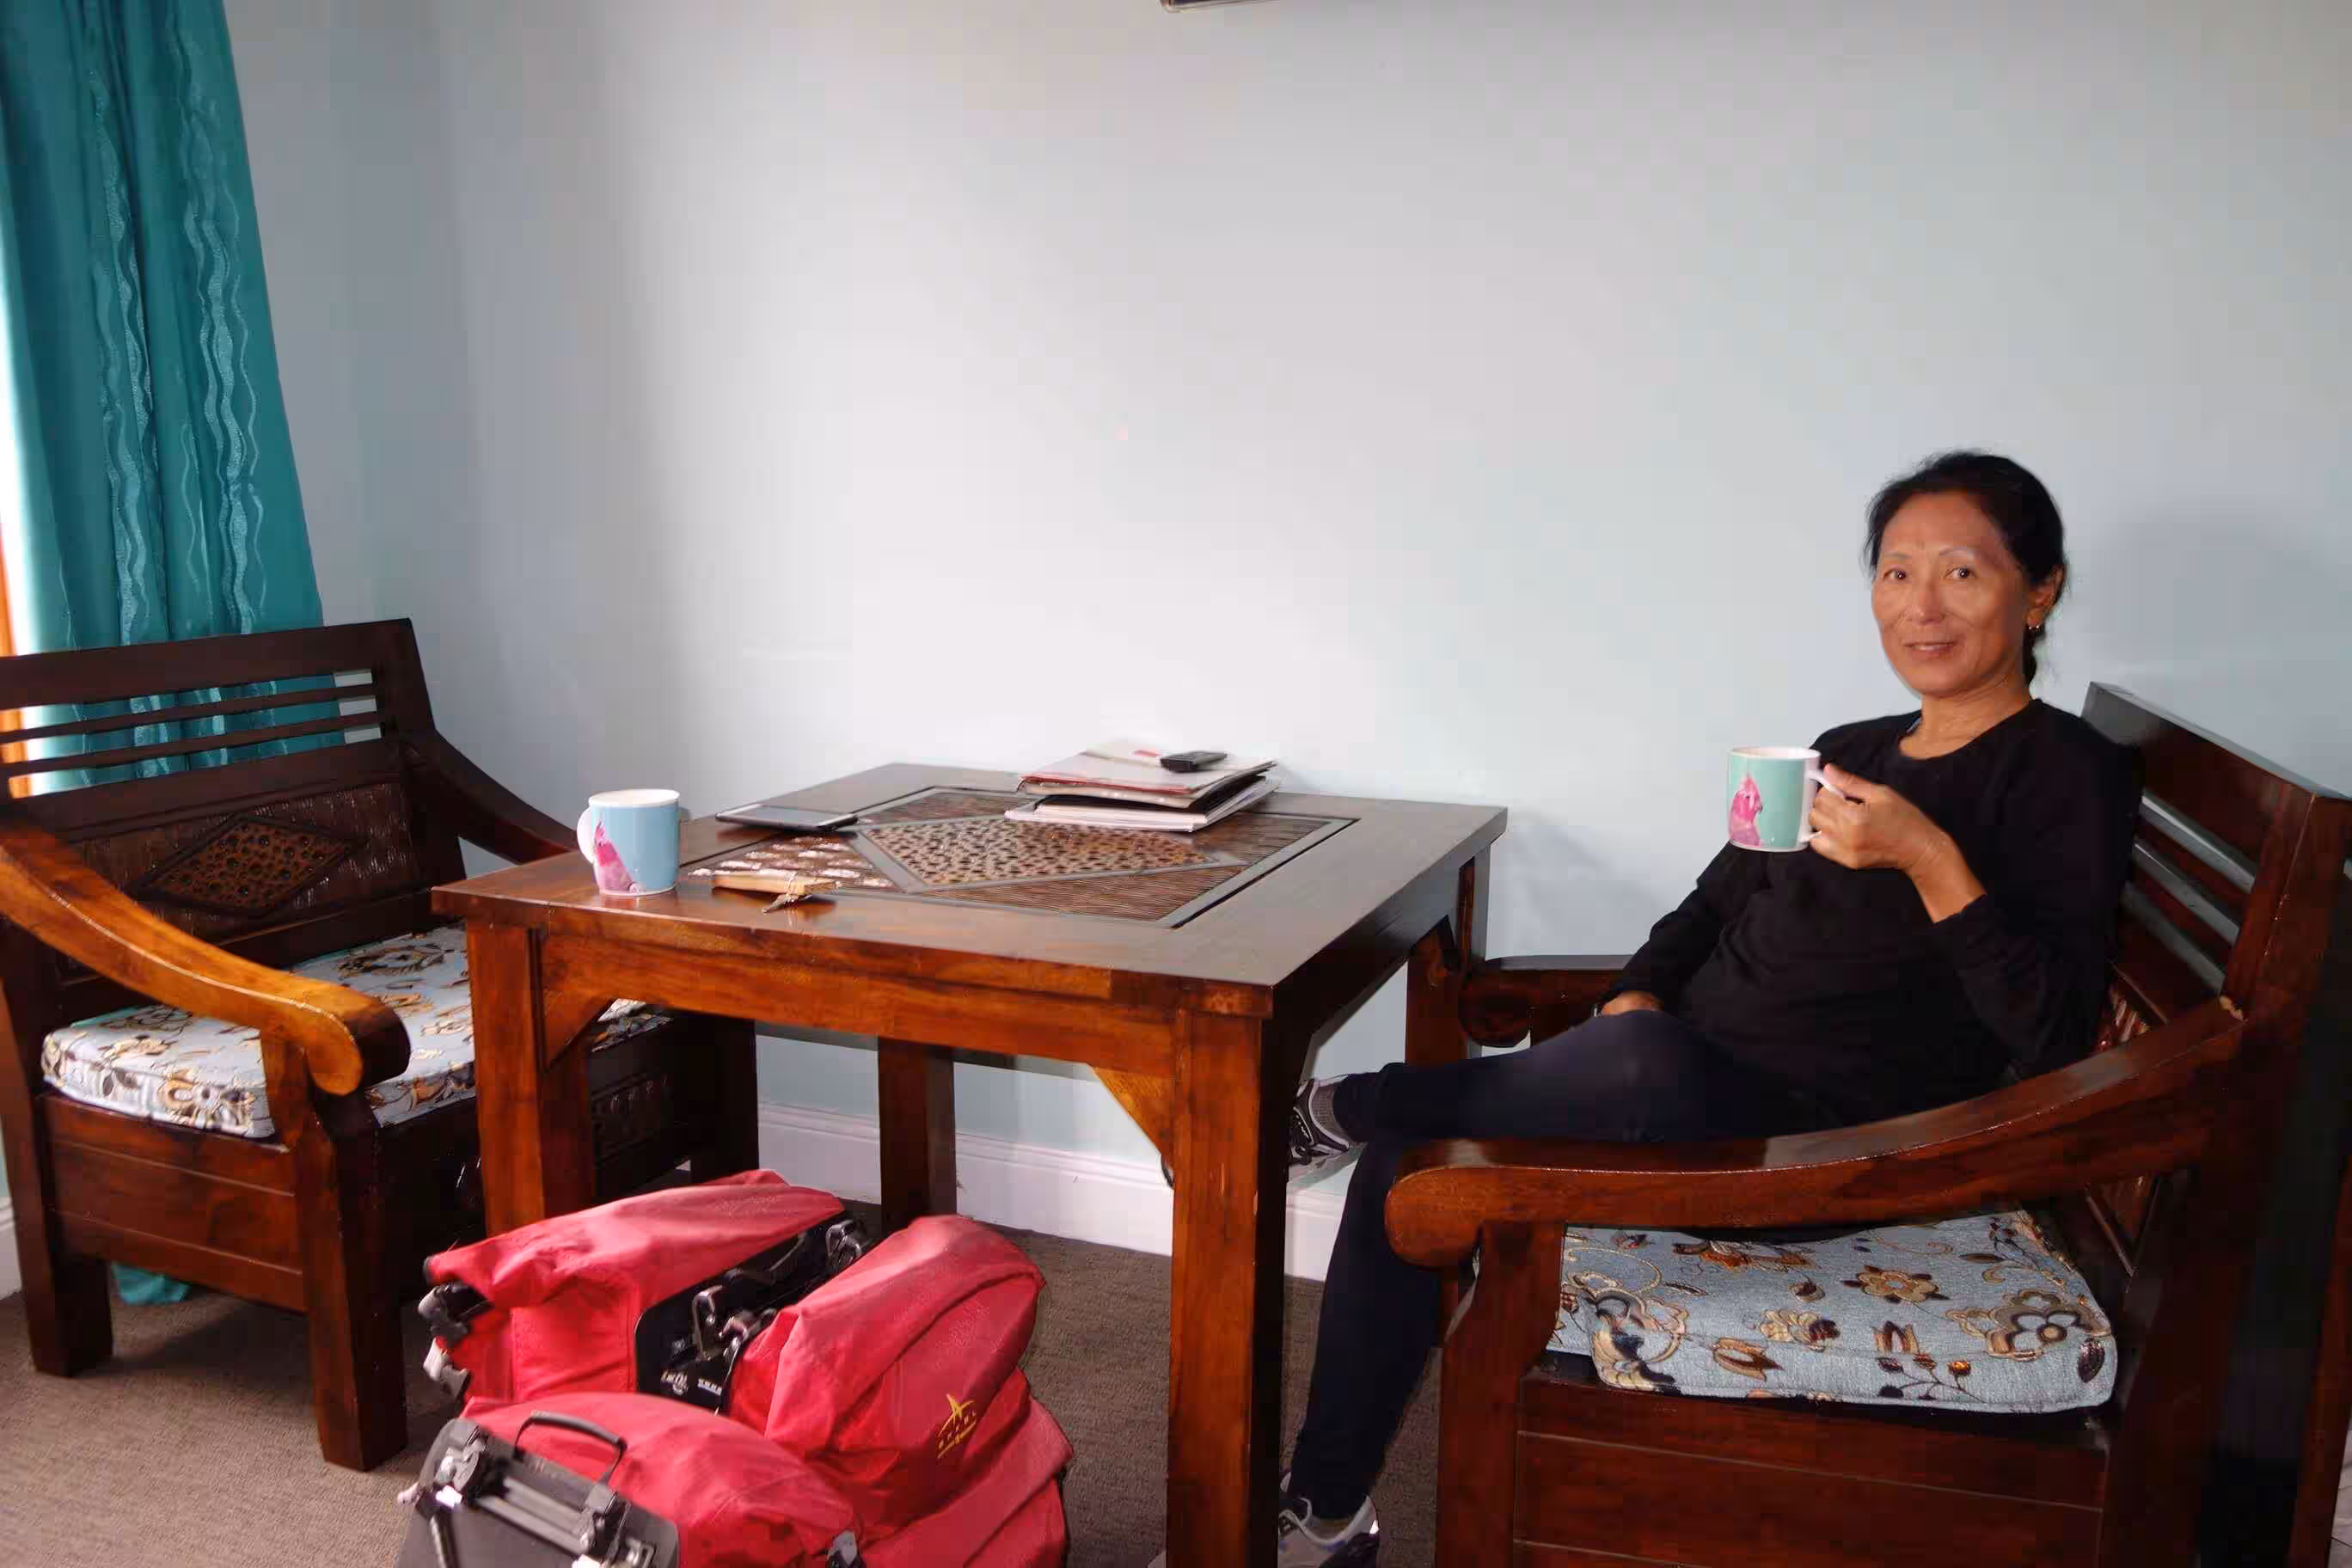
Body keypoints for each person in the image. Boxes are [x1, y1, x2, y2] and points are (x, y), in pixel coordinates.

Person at [1173, 451, 2141, 1567]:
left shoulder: (2067, 774)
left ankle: (1340, 1107)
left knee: (1630, 1068)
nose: (1921, 606)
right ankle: (1326, 1513)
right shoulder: (1844, 752)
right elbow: (1711, 904)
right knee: (1416, 1163)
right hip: (1682, 1083)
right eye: (1896, 571)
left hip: (1830, 1143)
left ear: (2039, 591)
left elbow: (2051, 1030)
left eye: (1962, 572)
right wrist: (1635, 991)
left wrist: (1926, 858)